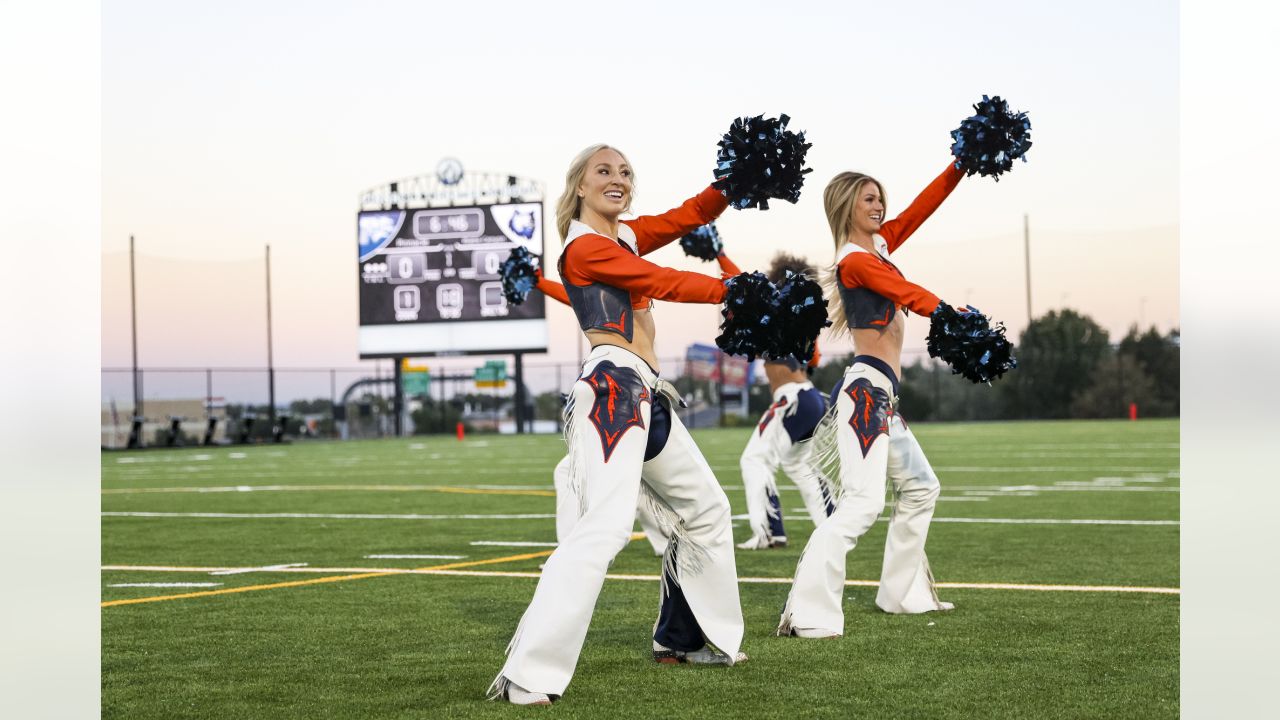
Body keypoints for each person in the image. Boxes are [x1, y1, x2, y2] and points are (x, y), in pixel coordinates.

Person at [491, 144, 745, 705]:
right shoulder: (583, 247)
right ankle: (528, 674)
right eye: (603, 171)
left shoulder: (621, 236)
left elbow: (688, 216)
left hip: (649, 395)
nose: (618, 178)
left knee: (706, 509)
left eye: (626, 172)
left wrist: (735, 180)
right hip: (612, 392)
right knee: (603, 531)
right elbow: (661, 279)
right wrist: (738, 292)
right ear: (578, 186)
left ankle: (683, 638)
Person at [777, 162, 964, 640]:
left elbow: (922, 210)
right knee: (863, 503)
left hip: (884, 397)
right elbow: (904, 291)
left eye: (880, 197)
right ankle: (808, 613)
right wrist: (949, 315)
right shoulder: (854, 261)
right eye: (868, 199)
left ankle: (901, 594)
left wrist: (960, 165)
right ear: (846, 208)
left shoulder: (876, 249)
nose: (879, 205)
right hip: (865, 396)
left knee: (922, 486)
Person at [532, 270, 670, 556]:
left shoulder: (622, 287)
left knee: (602, 477)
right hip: (634, 389)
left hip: (627, 392)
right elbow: (576, 299)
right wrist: (540, 282)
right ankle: (669, 541)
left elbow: (576, 299)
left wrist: (539, 282)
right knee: (640, 478)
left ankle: (570, 554)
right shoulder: (621, 290)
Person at [735, 252, 835, 551]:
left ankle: (769, 531)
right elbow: (814, 356)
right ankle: (832, 524)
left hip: (793, 398)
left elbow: (740, 283)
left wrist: (721, 256)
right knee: (798, 464)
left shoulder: (782, 312)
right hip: (809, 398)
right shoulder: (798, 317)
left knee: (753, 459)